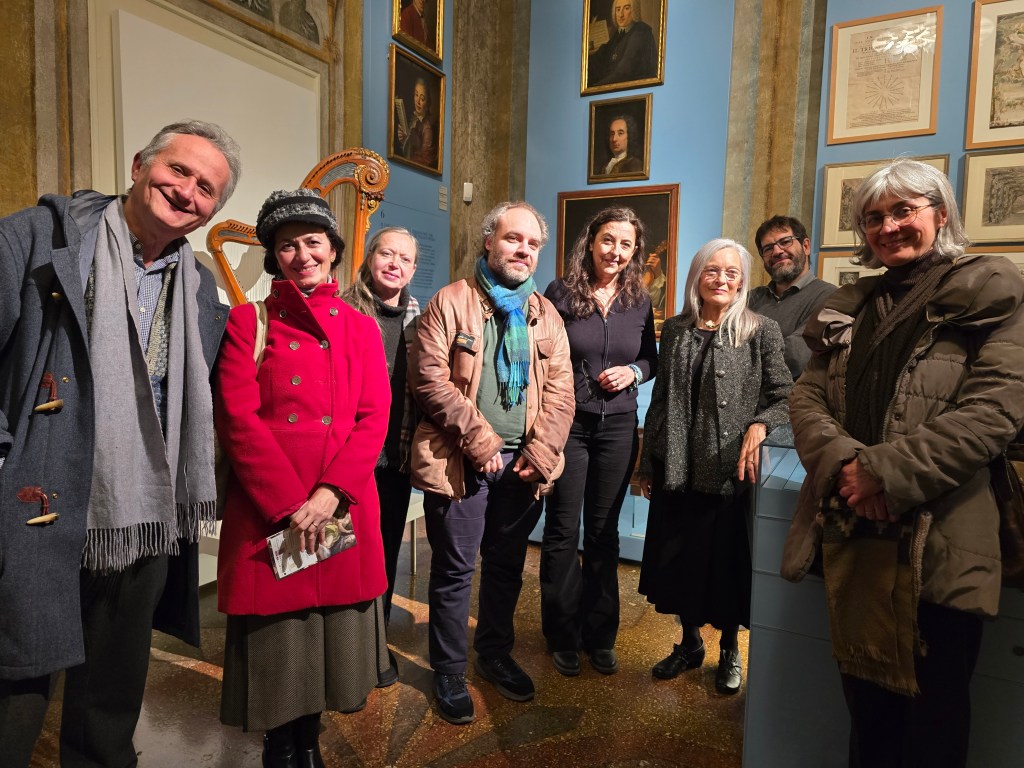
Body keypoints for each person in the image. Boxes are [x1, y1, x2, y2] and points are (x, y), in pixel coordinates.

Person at [0, 119, 240, 768]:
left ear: (212, 211)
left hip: (141, 515)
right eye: (178, 170)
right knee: (15, 690)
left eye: (207, 188)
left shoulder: (200, 289)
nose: (187, 191)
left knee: (111, 697)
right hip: (37, 501)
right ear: (139, 165)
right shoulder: (40, 238)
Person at [782, 158, 1024, 767]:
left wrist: (883, 475)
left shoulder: (992, 291)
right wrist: (849, 467)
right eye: (874, 217)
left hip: (941, 537)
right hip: (853, 530)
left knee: (933, 720)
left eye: (903, 211)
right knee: (867, 714)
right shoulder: (854, 305)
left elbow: (993, 412)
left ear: (941, 215)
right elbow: (807, 398)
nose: (888, 227)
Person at [215, 190, 392, 767]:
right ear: (274, 256)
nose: (302, 255)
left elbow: (374, 417)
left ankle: (309, 738)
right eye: (287, 245)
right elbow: (236, 418)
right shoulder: (248, 321)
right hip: (271, 504)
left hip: (340, 503)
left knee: (328, 628)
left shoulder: (362, 328)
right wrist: (291, 502)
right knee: (281, 631)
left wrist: (329, 493)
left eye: (313, 242)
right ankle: (279, 742)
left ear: (333, 250)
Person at [408, 201, 574, 725]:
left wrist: (541, 452)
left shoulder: (545, 314)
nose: (523, 250)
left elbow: (562, 392)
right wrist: (481, 443)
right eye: (512, 239)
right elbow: (430, 381)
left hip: (523, 466)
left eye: (533, 243)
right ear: (489, 241)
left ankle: (495, 653)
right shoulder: (450, 302)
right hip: (461, 461)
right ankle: (449, 670)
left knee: (505, 567)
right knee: (455, 571)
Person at [638, 238, 792, 696]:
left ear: (742, 282)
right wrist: (646, 464)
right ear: (697, 276)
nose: (721, 279)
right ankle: (689, 644)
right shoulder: (677, 329)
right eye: (712, 270)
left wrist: (760, 425)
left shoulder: (759, 330)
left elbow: (785, 396)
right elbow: (660, 399)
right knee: (680, 561)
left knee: (724, 566)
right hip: (677, 466)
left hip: (727, 470)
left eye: (731, 272)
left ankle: (729, 649)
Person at [540, 207, 658, 677]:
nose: (615, 251)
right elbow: (543, 354)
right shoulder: (559, 293)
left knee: (604, 532)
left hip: (619, 427)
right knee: (563, 529)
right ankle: (562, 634)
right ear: (590, 242)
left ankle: (600, 635)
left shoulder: (639, 300)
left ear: (635, 251)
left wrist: (633, 373)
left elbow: (650, 359)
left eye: (625, 244)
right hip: (568, 425)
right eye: (608, 240)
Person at [341, 225, 421, 683]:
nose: (394, 264)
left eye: (404, 258)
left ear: (413, 268)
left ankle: (374, 646)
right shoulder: (344, 310)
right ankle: (341, 651)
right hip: (349, 457)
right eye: (386, 254)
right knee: (342, 555)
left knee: (384, 554)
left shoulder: (419, 319)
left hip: (395, 456)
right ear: (370, 258)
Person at [748, 215, 837, 378]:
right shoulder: (750, 298)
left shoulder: (829, 297)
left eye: (785, 242)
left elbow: (795, 359)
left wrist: (738, 359)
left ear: (806, 246)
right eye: (768, 248)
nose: (777, 251)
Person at [588, 0, 658, 87]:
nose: (620, 15)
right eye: (618, 9)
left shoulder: (641, 32)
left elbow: (623, 73)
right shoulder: (620, 32)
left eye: (626, 8)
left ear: (634, 10)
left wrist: (595, 88)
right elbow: (602, 54)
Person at [395, 77, 437, 168]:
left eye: (422, 99)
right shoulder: (415, 120)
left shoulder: (427, 128)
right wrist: (405, 140)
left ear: (428, 103)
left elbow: (424, 159)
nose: (418, 101)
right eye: (416, 95)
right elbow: (412, 147)